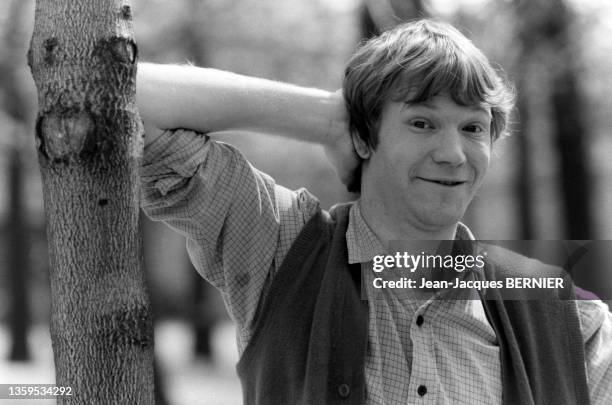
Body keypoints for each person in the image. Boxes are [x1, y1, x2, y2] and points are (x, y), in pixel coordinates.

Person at [137, 19, 612, 404]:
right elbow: (130, 98)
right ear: (362, 137)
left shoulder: (571, 318)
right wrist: (325, 117)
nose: (453, 153)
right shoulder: (279, 247)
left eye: (472, 128)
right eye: (422, 123)